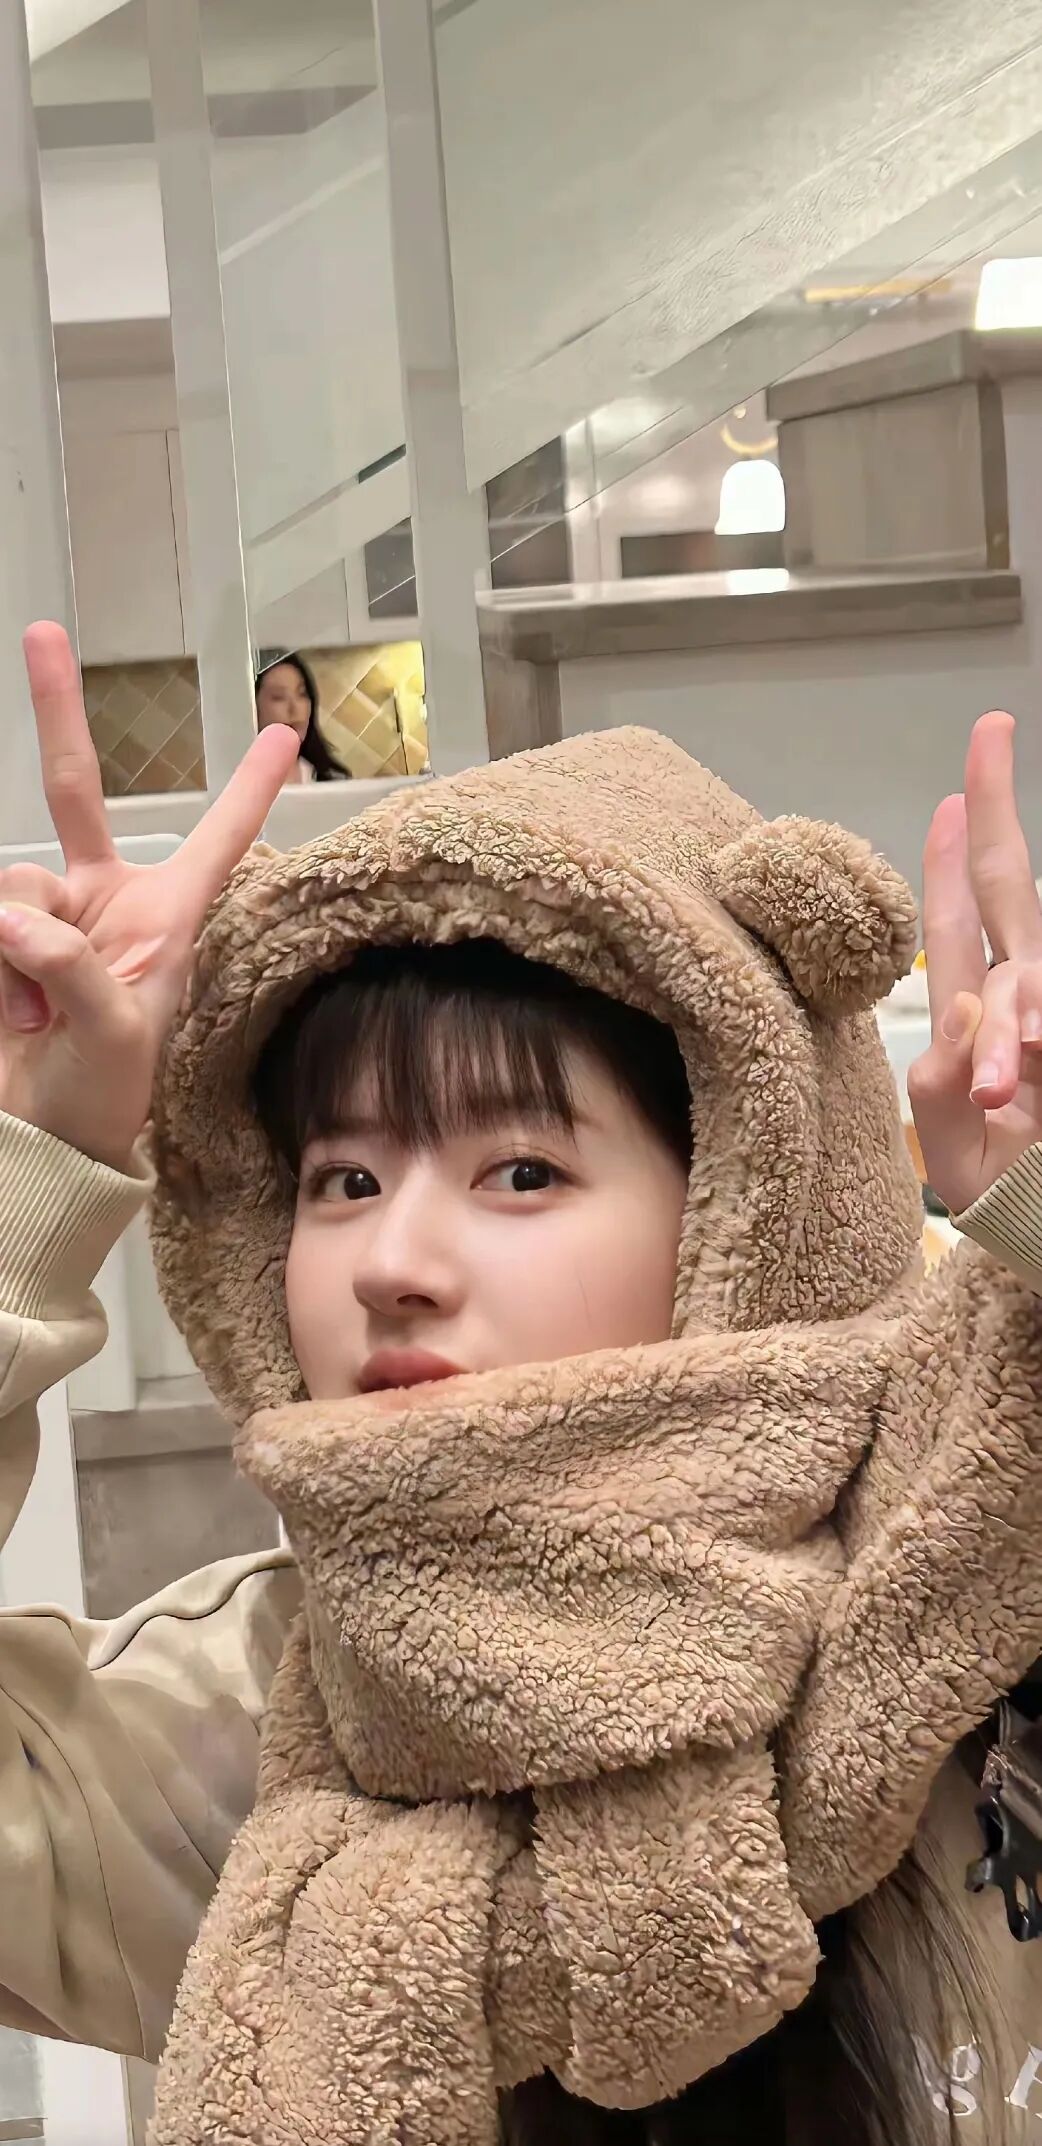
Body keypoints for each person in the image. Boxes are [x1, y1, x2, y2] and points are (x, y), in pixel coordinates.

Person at [0, 622, 1041, 2146]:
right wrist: (33, 1169)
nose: (389, 1262)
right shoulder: (235, 1725)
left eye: (522, 1170)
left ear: (744, 1215)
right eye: (343, 1176)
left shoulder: (977, 1596)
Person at [255, 648, 352, 782]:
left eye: (301, 693)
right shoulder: (234, 782)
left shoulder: (332, 781)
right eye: (279, 697)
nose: (295, 709)